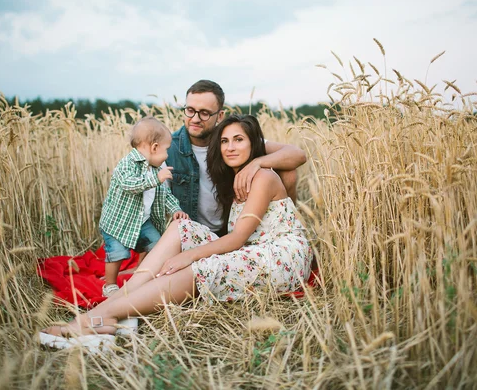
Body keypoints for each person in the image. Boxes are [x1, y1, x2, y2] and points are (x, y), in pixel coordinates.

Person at [38, 114, 313, 348]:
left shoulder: (263, 175)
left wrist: (188, 256)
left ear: (254, 145)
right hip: (250, 248)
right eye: (225, 141)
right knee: (181, 226)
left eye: (239, 140)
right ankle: (121, 304)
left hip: (280, 256)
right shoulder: (233, 170)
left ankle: (95, 319)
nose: (230, 147)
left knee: (203, 266)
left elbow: (238, 238)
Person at [167, 79, 307, 236]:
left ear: (219, 116)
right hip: (193, 230)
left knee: (289, 173)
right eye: (190, 110)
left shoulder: (230, 140)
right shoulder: (168, 147)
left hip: (234, 227)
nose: (195, 119)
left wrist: (256, 163)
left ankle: (289, 232)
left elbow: (298, 154)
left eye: (204, 113)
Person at [98, 117, 189, 297]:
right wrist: (156, 179)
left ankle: (143, 274)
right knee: (117, 253)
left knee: (157, 246)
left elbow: (165, 195)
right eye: (166, 150)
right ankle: (109, 285)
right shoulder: (127, 164)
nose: (167, 155)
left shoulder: (157, 168)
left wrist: (175, 209)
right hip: (118, 223)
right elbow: (128, 185)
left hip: (143, 221)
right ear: (154, 148)